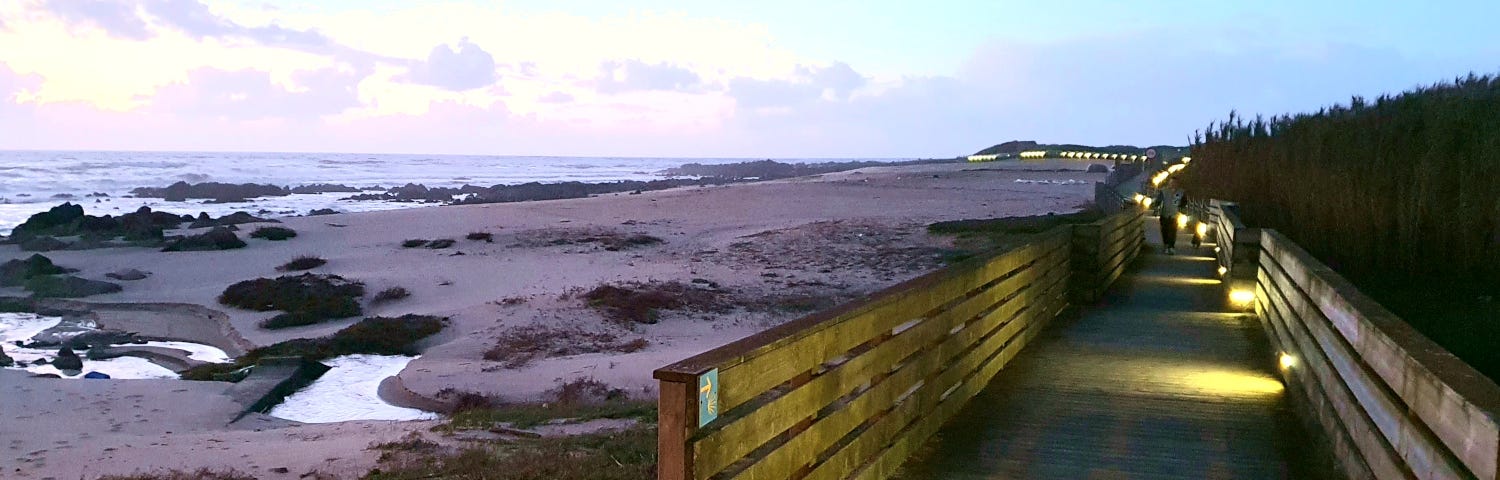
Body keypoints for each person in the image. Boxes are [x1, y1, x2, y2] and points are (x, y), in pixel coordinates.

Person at [1155, 178, 1187, 255]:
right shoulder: (1164, 191)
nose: (1173, 184)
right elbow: (1158, 200)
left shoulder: (1181, 192)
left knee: (1173, 231)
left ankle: (1171, 246)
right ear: (1169, 183)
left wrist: (1182, 208)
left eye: (1175, 183)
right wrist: (1156, 206)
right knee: (1165, 231)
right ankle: (1166, 245)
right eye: (1171, 183)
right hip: (1164, 214)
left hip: (1174, 215)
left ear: (1177, 184)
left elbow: (1184, 202)